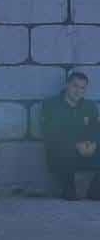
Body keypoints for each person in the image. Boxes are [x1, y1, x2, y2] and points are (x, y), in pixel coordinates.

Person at [41, 71, 100, 200]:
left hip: (86, 151)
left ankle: (95, 190)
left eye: (82, 88)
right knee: (62, 148)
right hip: (62, 155)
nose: (78, 91)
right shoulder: (51, 105)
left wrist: (94, 144)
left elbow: (95, 130)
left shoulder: (89, 106)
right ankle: (69, 189)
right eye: (75, 86)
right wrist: (76, 145)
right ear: (67, 85)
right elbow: (50, 134)